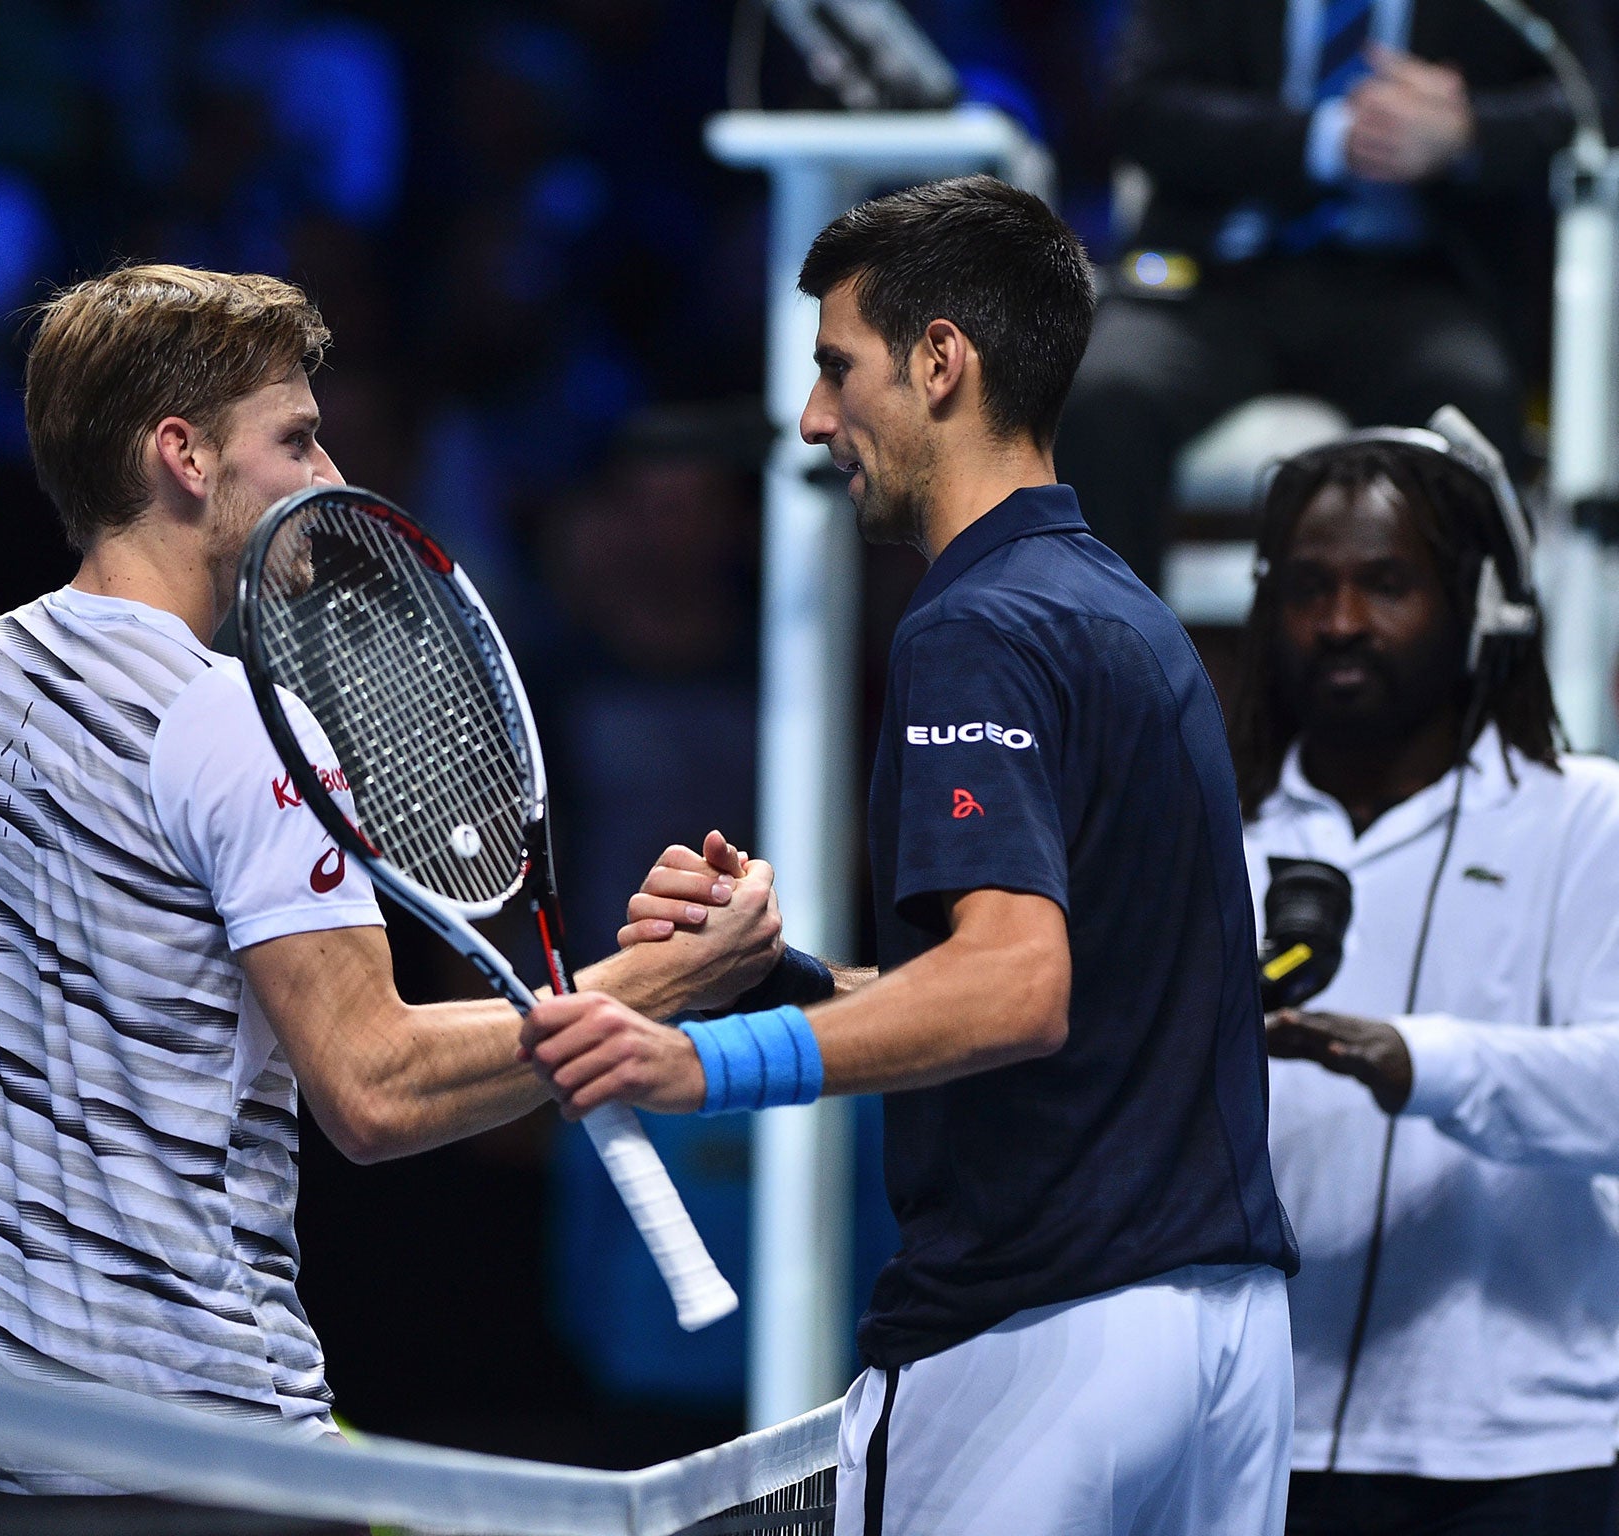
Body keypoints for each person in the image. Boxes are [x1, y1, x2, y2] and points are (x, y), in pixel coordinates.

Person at [0, 263, 782, 1514]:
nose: (330, 479)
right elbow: (374, 1087)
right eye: (295, 438)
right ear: (182, 454)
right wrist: (658, 984)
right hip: (205, 1474)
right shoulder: (244, 723)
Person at [522, 177, 1300, 1536]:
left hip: (1041, 1346)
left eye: (838, 367)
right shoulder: (1126, 613)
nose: (818, 418)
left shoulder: (975, 629)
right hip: (1224, 1351)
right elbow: (1076, 989)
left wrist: (701, 1061)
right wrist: (783, 981)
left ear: (941, 363)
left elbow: (1013, 990)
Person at [1233, 415, 1619, 1534]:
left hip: (1526, 1443)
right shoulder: (1210, 831)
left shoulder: (1586, 819)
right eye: (1307, 587)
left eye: (1383, 583)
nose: (1339, 622)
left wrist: (1415, 1057)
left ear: (1481, 605)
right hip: (1261, 1434)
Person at [1055, 0, 1616, 590]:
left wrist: (1469, 132)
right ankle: (1111, 672)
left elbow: (1591, 100)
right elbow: (1135, 105)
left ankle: (1455, 676)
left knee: (1466, 404)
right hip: (1215, 280)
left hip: (1408, 284)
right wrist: (1321, 141)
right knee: (1101, 395)